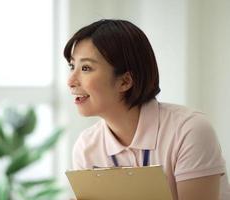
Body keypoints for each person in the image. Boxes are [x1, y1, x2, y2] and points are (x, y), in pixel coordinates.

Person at [65, 19, 230, 200]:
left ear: (125, 81)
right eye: (72, 66)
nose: (70, 81)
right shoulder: (86, 146)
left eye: (86, 68)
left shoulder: (189, 131)